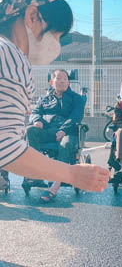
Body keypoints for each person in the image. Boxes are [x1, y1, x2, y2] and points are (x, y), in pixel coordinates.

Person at [0, 0, 109, 192]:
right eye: (55, 35)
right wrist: (72, 174)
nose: (56, 45)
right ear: (32, 16)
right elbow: (4, 147)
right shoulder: (11, 58)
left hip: (60, 132)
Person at [22, 69, 85, 202]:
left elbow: (75, 117)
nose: (62, 81)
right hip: (49, 130)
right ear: (52, 82)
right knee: (30, 130)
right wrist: (37, 120)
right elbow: (35, 112)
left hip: (68, 132)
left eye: (65, 79)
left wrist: (63, 130)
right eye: (58, 78)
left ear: (68, 82)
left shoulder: (77, 98)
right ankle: (36, 173)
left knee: (66, 144)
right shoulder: (45, 99)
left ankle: (55, 186)